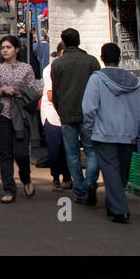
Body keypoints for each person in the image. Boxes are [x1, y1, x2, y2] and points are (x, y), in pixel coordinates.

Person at [82, 42, 140, 223]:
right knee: (122, 173)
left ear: (102, 58)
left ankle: (120, 210)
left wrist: (90, 128)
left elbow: (89, 109)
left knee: (111, 172)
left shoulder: (96, 79)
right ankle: (113, 205)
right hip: (128, 134)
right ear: (120, 58)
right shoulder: (134, 82)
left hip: (104, 134)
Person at [50, 28, 101, 206]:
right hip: (89, 114)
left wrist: (59, 109)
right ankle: (90, 182)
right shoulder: (91, 61)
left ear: (63, 43)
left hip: (66, 112)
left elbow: (55, 92)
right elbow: (98, 89)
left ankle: (79, 190)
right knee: (92, 151)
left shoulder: (58, 64)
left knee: (72, 154)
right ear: (79, 41)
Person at [0, 34, 38, 202]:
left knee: (21, 153)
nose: (5, 50)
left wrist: (18, 91)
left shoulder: (26, 68)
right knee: (5, 153)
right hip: (2, 114)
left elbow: (33, 91)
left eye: (8, 47)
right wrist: (3, 90)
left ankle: (26, 178)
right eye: (2, 48)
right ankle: (9, 189)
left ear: (16, 49)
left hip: (21, 115)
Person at [41, 42, 71, 190]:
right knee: (55, 146)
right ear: (61, 53)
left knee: (68, 147)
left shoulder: (72, 69)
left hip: (67, 113)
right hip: (52, 113)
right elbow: (50, 94)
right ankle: (56, 178)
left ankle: (67, 176)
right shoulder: (50, 69)